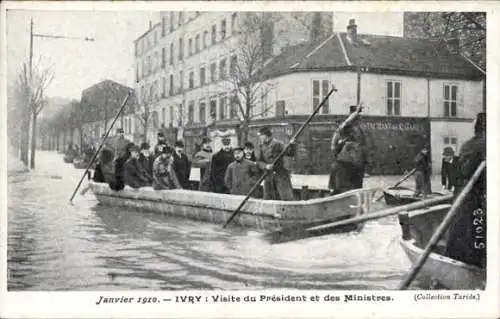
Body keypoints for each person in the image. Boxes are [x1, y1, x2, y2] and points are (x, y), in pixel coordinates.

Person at [445, 112, 486, 269]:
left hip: (469, 198)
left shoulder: (472, 144)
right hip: (481, 196)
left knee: (464, 234)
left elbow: (464, 171)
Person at [329, 105, 367, 194]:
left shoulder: (359, 130)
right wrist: (355, 113)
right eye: (357, 117)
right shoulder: (345, 128)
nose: (359, 119)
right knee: (342, 189)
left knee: (356, 190)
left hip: (357, 164)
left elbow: (364, 146)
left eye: (359, 117)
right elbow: (335, 146)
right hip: (345, 163)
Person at [256, 127, 295, 201]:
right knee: (268, 200)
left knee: (286, 198)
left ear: (266, 135)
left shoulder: (278, 144)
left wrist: (291, 145)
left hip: (280, 175)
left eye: (261, 136)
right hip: (268, 176)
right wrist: (266, 166)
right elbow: (258, 162)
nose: (260, 138)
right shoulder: (262, 146)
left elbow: (289, 153)